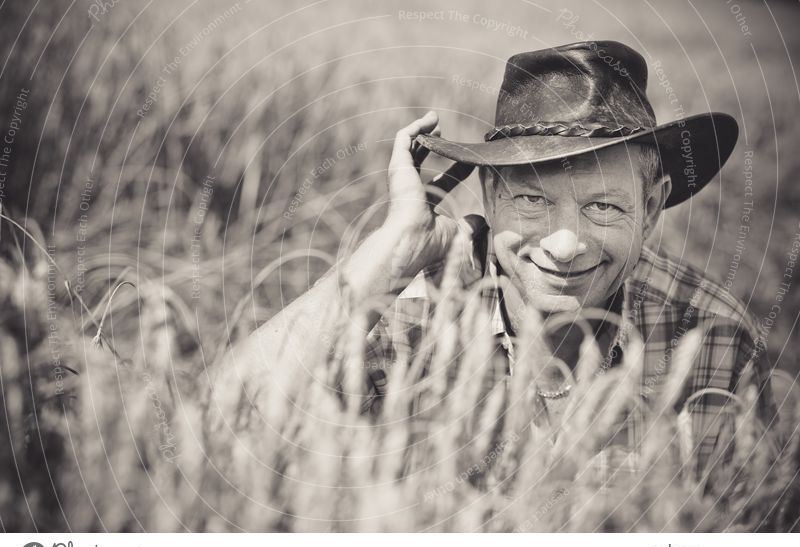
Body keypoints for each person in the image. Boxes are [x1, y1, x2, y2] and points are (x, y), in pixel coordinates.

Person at [212, 40, 779, 480]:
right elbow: (223, 420)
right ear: (489, 196)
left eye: (604, 206)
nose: (565, 245)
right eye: (532, 200)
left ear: (650, 208)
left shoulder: (713, 336)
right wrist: (392, 250)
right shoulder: (407, 311)